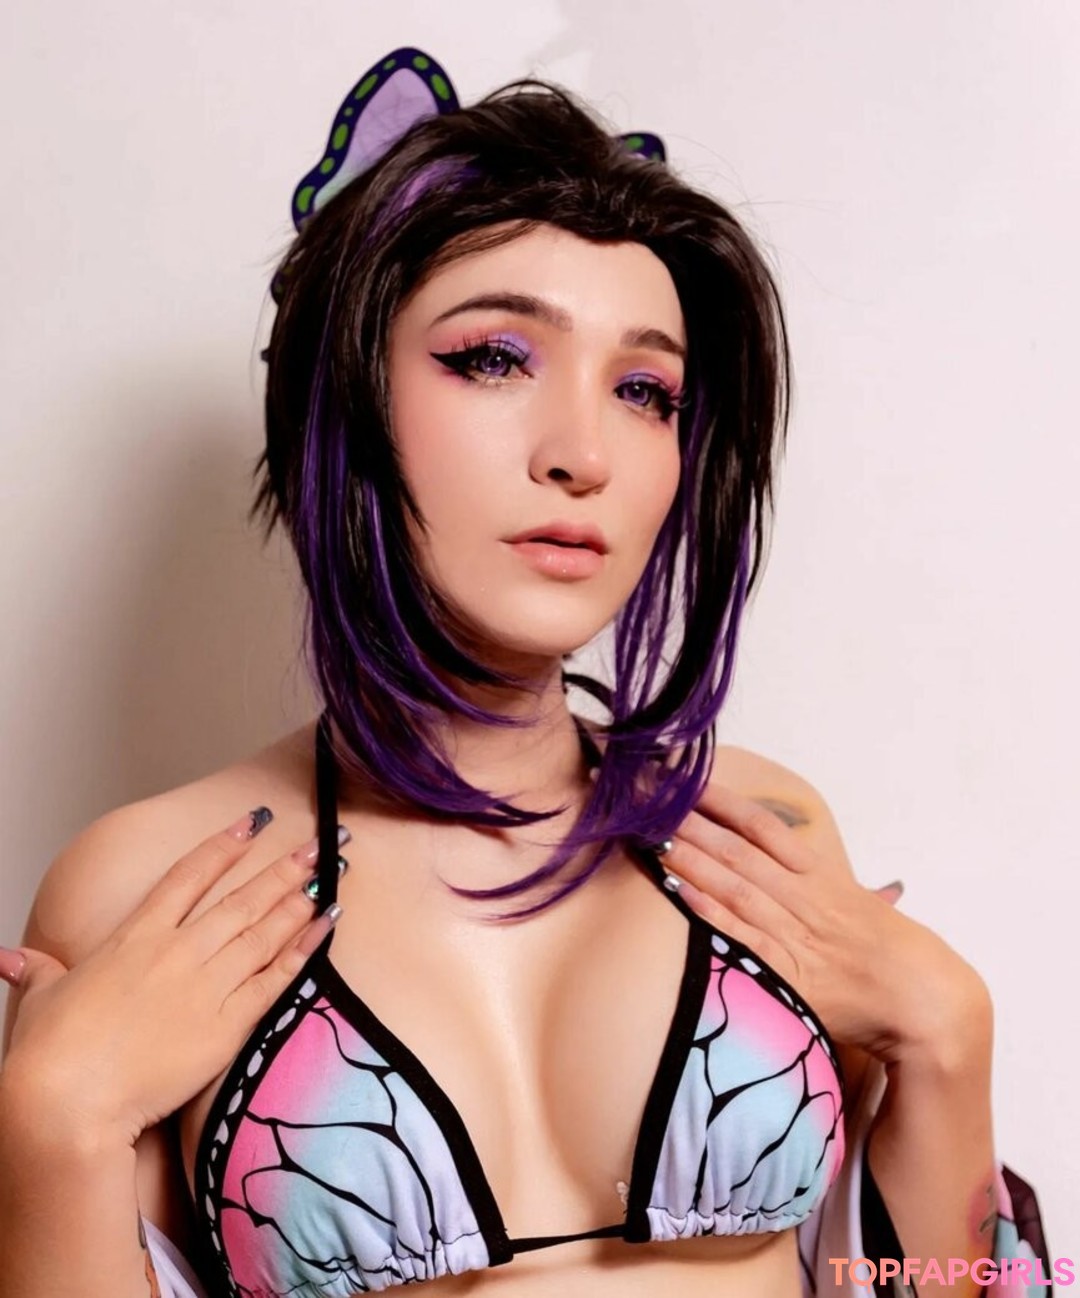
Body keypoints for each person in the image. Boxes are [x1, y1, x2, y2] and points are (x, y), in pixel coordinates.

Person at [0, 48, 1051, 1298]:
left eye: (646, 389)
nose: (583, 452)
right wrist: (53, 1124)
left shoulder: (759, 835)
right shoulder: (147, 885)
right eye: (495, 358)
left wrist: (948, 1035)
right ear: (341, 396)